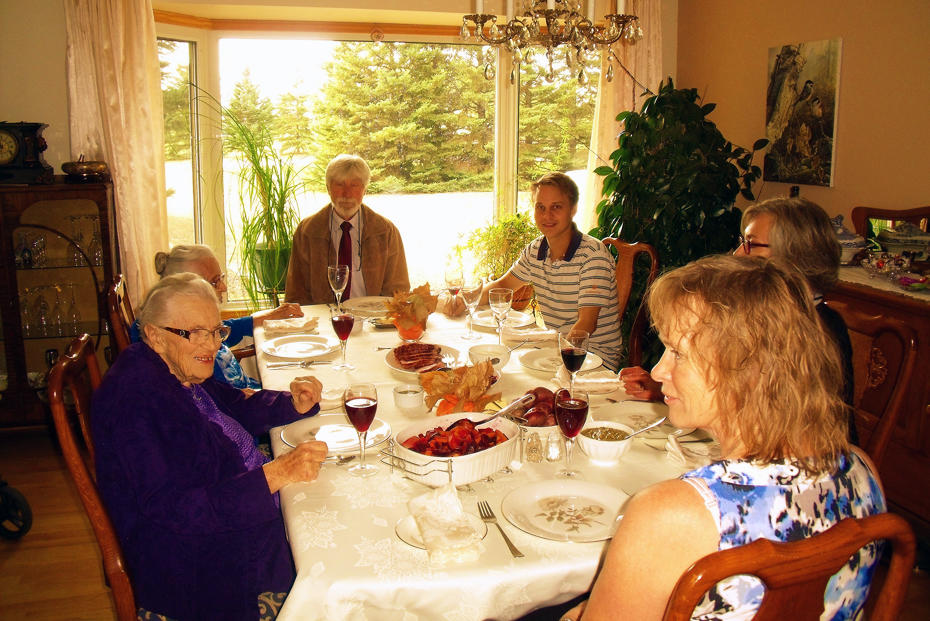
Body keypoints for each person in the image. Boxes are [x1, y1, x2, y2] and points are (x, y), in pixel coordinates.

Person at [566, 255, 886, 620]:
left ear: (744, 369)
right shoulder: (863, 469)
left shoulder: (674, 515)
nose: (658, 370)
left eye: (678, 354)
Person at [93, 273, 327, 620]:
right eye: (195, 333)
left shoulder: (171, 370)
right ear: (155, 335)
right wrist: (272, 476)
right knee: (334, 559)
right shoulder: (137, 401)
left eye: (217, 331)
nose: (213, 344)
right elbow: (175, 509)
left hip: (234, 518)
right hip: (203, 568)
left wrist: (292, 405)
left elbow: (231, 404)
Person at [621, 198, 857, 446]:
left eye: (751, 244)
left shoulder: (810, 330)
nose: (736, 253)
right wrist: (668, 387)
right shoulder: (760, 318)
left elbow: (780, 424)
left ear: (796, 255)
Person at [481, 172, 622, 370]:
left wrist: (555, 357)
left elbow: (586, 325)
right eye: (541, 207)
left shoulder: (592, 256)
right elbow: (503, 286)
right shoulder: (535, 249)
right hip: (556, 349)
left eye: (556, 207)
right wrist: (464, 301)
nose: (547, 216)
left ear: (573, 209)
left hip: (594, 360)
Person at [135, 244, 303, 390]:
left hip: (250, 398)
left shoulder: (198, 331)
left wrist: (260, 318)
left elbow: (227, 327)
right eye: (214, 281)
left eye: (221, 277)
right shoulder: (177, 348)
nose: (223, 287)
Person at [284, 154, 410, 305]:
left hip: (372, 318)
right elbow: (296, 293)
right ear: (328, 188)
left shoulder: (385, 231)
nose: (347, 194)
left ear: (364, 190)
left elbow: (398, 291)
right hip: (324, 318)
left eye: (355, 185)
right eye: (339, 184)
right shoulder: (308, 231)